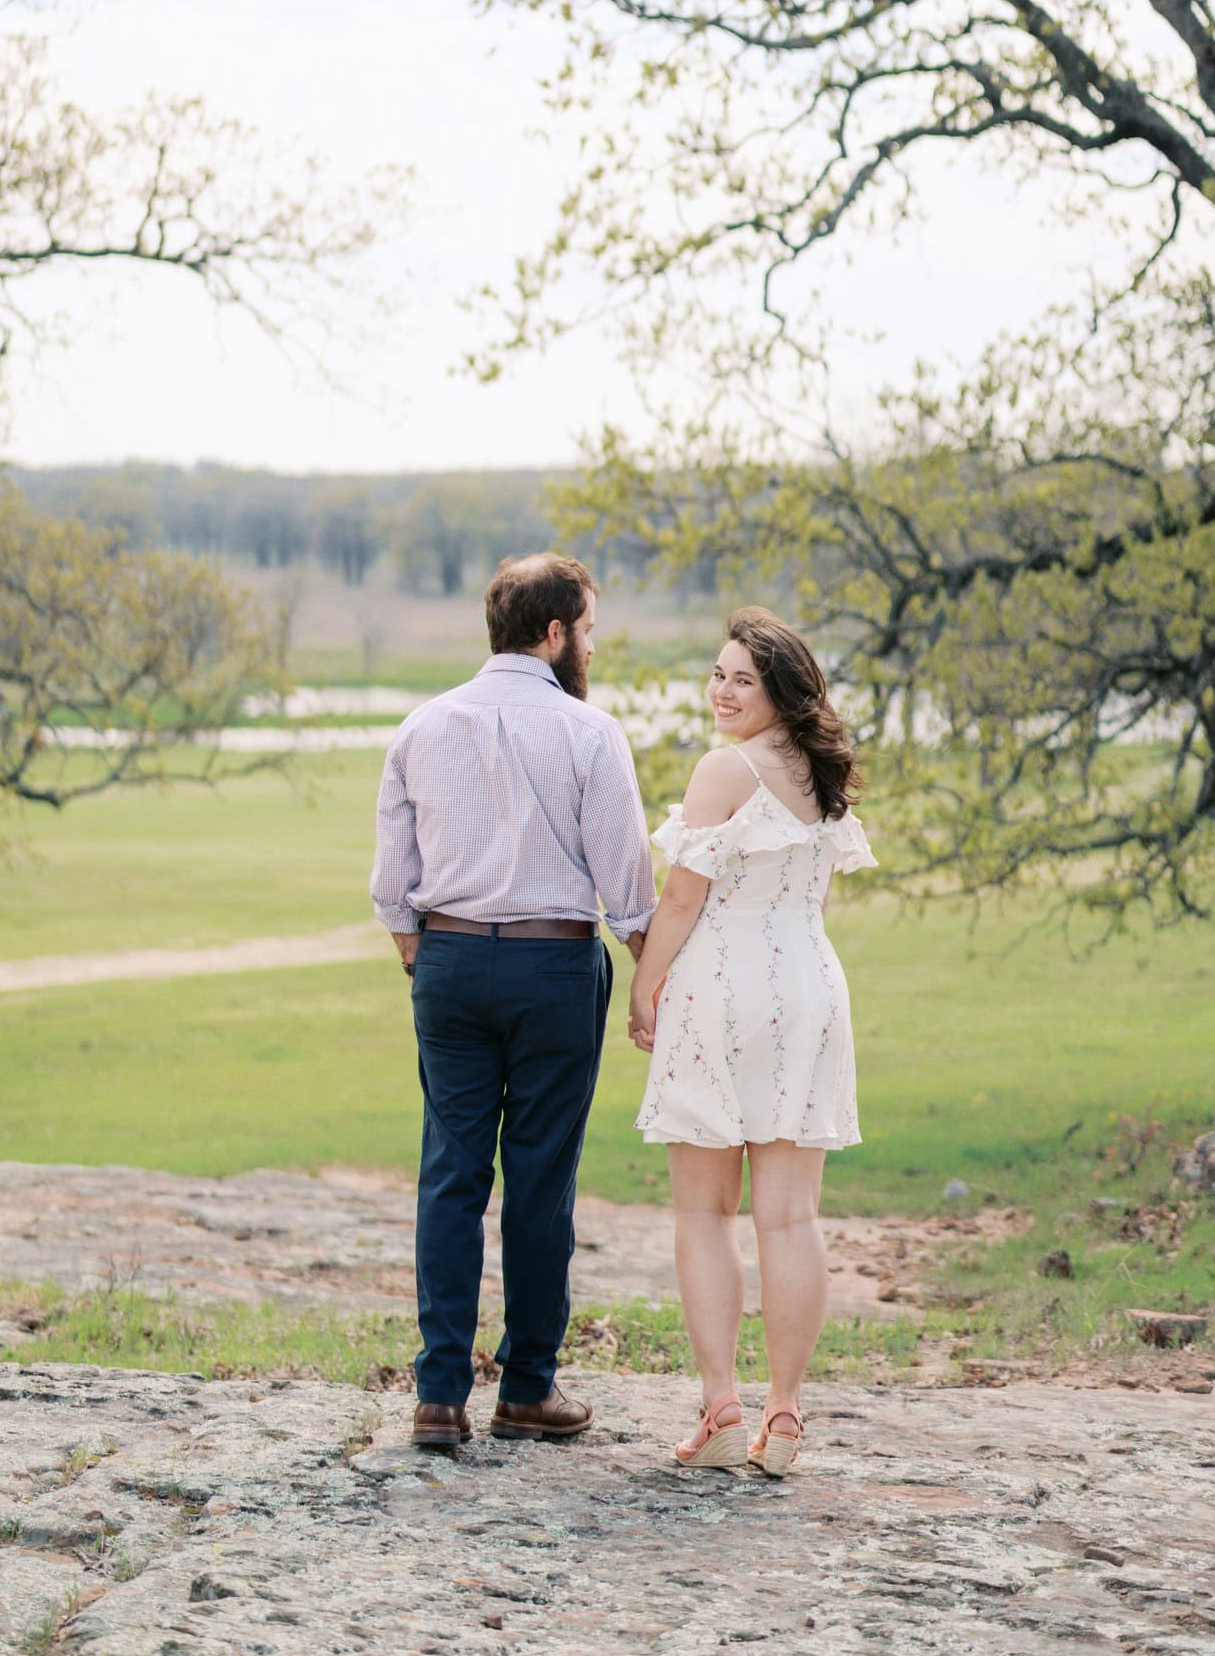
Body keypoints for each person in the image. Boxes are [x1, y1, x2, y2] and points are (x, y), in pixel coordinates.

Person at [371, 554, 655, 1451]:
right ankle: (528, 1386)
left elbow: (393, 886)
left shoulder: (422, 725)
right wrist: (654, 970)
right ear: (556, 632)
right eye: (591, 629)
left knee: (451, 1173)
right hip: (555, 970)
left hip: (448, 962)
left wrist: (434, 955)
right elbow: (628, 886)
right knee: (540, 1179)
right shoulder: (589, 731)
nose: (592, 645)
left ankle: (439, 1397)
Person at [628, 607, 875, 1477]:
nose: (723, 691)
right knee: (792, 1213)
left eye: (744, 679)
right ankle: (787, 1416)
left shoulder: (723, 771)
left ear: (780, 690)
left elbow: (683, 901)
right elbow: (812, 899)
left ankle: (724, 1407)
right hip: (809, 986)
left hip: (723, 988)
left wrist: (645, 985)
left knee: (705, 1210)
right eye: (719, 674)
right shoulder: (820, 772)